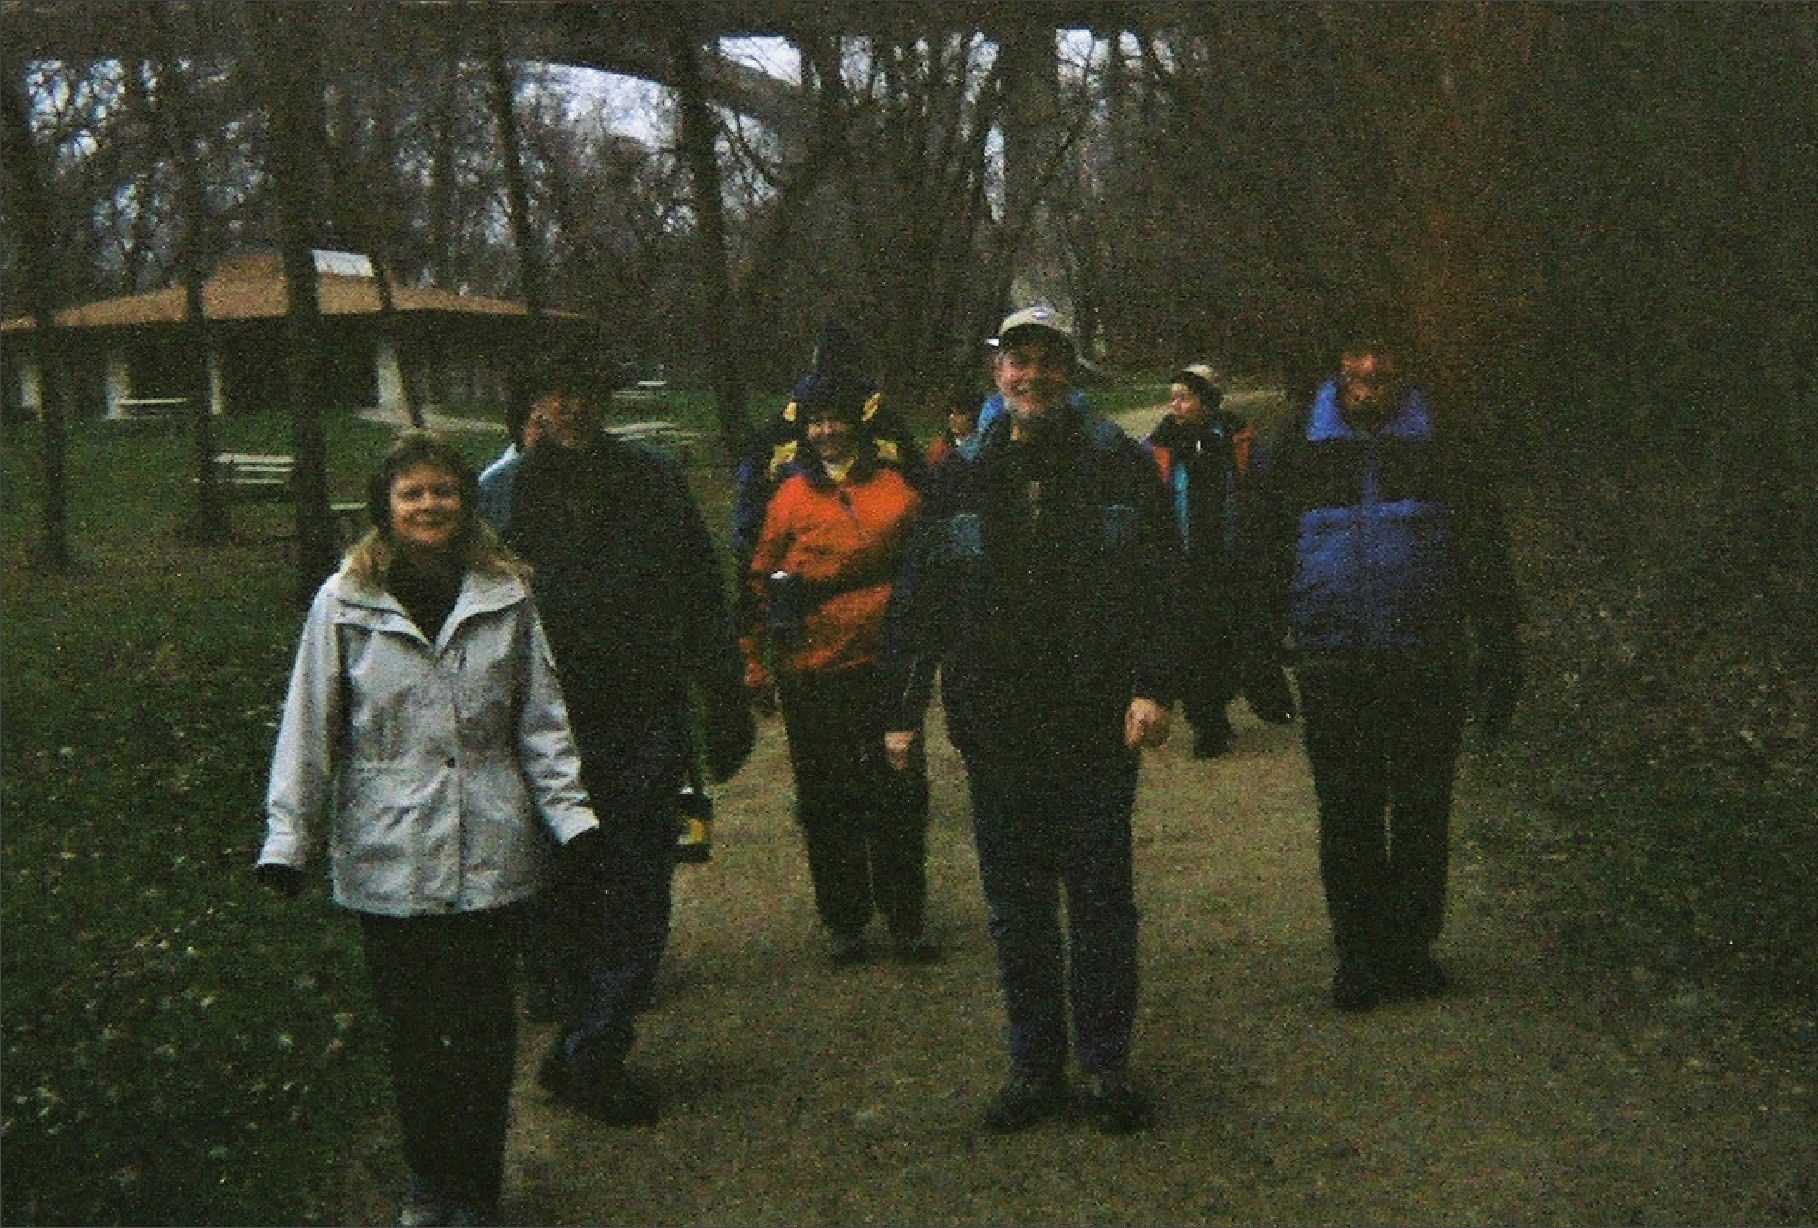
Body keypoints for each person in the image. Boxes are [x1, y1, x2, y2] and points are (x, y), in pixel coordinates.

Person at [257, 431, 602, 1226]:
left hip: (491, 850)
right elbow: (310, 727)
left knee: (483, 1032)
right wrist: (288, 841)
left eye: (442, 491)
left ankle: (475, 1187)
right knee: (415, 1036)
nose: (427, 506)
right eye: (411, 493)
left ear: (465, 501)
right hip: (391, 855)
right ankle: (428, 1182)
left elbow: (541, 722)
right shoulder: (344, 601)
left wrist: (572, 819)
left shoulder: (506, 595)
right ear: (386, 507)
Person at [883, 303, 1181, 1134]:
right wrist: (902, 709)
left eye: (1048, 361)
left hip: (1094, 726)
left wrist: (1155, 686)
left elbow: (1165, 586)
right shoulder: (958, 476)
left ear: (1068, 371)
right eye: (1019, 361)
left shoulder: (1119, 466)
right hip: (997, 728)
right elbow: (920, 599)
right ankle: (1035, 1066)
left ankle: (1106, 1067)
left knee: (1100, 902)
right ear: (998, 373)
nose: (1032, 376)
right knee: (1016, 911)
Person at [504, 345, 754, 1125]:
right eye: (557, 392)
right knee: (564, 891)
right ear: (535, 402)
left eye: (584, 391)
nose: (572, 406)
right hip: (547, 723)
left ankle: (597, 1044)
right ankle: (582, 1034)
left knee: (641, 884)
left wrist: (724, 691)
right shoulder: (507, 494)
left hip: (643, 712)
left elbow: (699, 589)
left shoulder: (651, 481)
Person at [1244, 336, 1522, 1012]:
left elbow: (1484, 547)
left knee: (1423, 807)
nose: (1370, 369)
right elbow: (1259, 551)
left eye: (1385, 356)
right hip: (1332, 658)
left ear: (1406, 364)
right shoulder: (1295, 443)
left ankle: (1411, 948)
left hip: (1428, 654)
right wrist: (1256, 652)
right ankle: (1360, 954)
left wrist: (1500, 644)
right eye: (1356, 354)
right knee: (1349, 810)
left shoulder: (1446, 439)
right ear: (1336, 362)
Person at [741, 349, 931, 966]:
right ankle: (845, 919)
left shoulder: (898, 489)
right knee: (827, 798)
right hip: (813, 668)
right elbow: (759, 578)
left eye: (836, 419)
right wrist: (755, 660)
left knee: (898, 794)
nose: (826, 431)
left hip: (885, 666)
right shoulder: (789, 497)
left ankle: (905, 916)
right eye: (816, 422)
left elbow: (926, 573)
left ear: (858, 423)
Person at [923, 384, 982, 468]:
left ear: (974, 415)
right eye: (950, 412)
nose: (952, 417)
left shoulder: (986, 444)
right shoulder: (939, 448)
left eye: (959, 413)